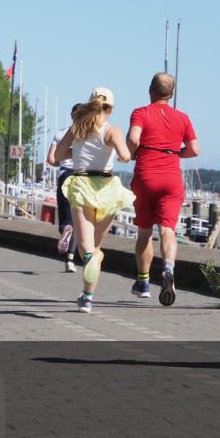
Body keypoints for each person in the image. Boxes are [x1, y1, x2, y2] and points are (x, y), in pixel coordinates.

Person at [53, 88, 134, 314]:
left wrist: (77, 152)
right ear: (111, 109)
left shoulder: (76, 128)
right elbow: (126, 156)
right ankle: (87, 296)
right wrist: (117, 155)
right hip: (107, 189)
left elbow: (57, 156)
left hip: (82, 185)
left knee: (86, 249)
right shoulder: (112, 131)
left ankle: (87, 296)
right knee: (97, 249)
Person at [126, 73, 199, 305]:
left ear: (150, 90)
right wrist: (177, 152)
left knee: (145, 232)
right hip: (171, 178)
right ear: (172, 93)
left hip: (146, 175)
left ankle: (143, 282)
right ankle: (168, 269)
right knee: (167, 230)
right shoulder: (183, 117)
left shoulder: (141, 113)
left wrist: (130, 154)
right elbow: (195, 149)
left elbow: (134, 138)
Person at [47, 104, 81, 272]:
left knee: (66, 221)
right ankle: (70, 261)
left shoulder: (61, 133)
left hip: (65, 175)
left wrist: (64, 156)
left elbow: (51, 159)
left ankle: (65, 230)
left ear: (71, 115)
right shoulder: (88, 135)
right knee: (77, 221)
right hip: (82, 178)